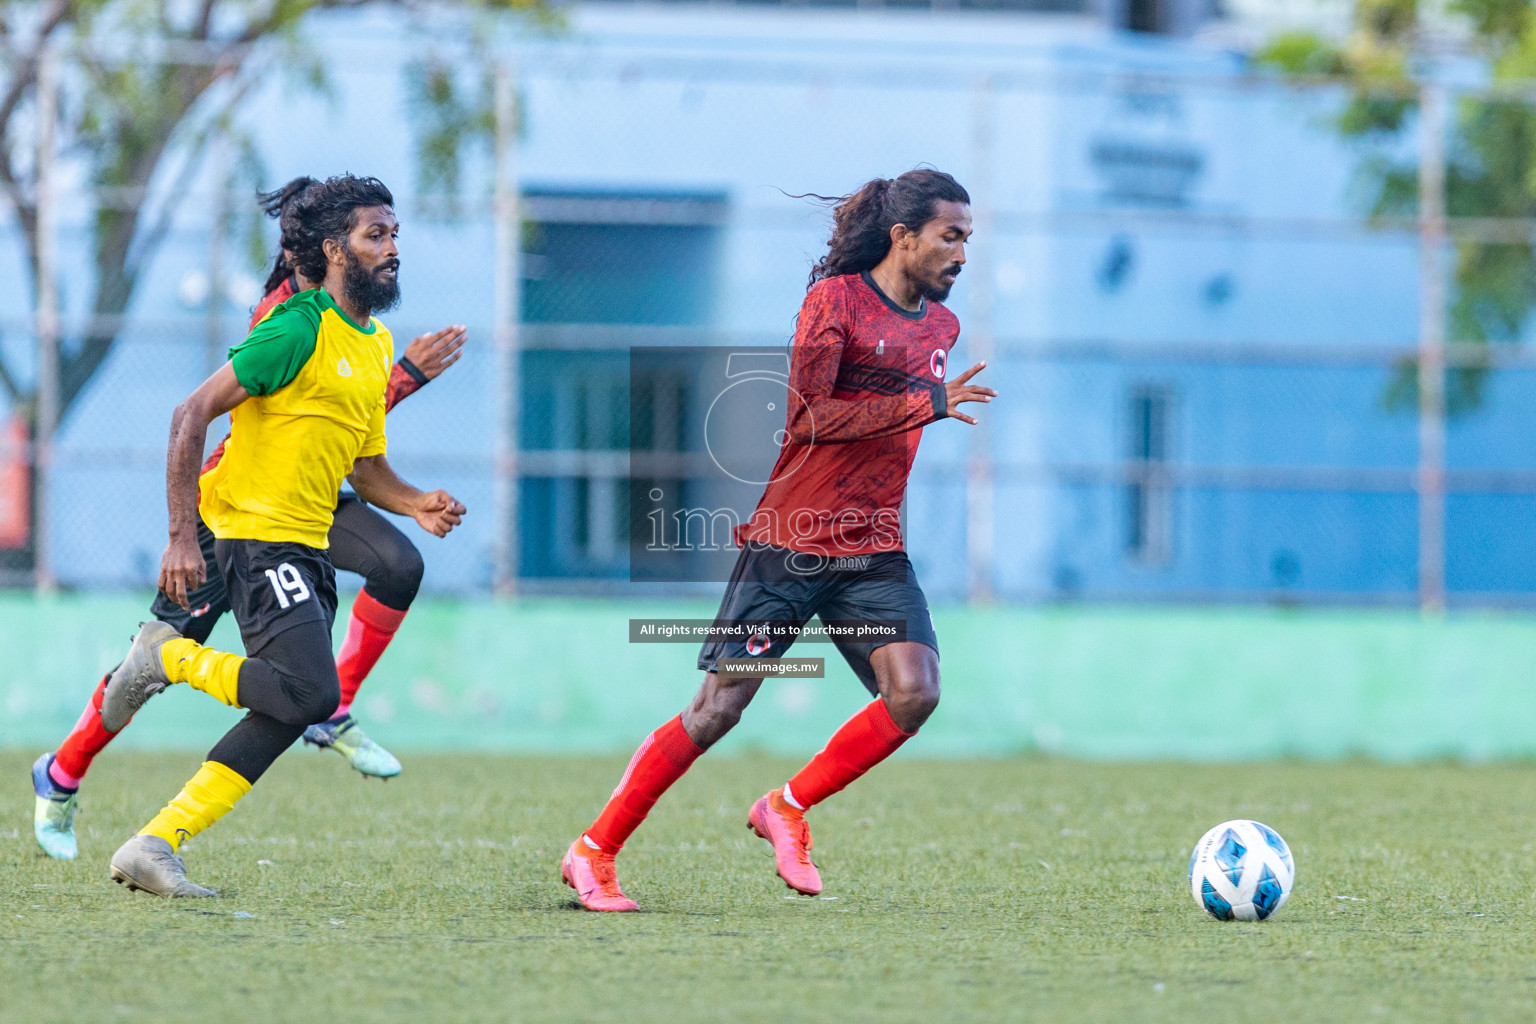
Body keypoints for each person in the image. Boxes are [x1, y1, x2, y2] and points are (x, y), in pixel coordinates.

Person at [561, 169, 996, 911]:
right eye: (951, 236)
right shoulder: (834, 303)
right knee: (718, 709)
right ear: (904, 236)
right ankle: (592, 851)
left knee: (915, 692)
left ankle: (786, 806)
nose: (963, 253)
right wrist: (925, 403)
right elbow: (808, 420)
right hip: (790, 541)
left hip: (873, 547)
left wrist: (921, 406)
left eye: (968, 239)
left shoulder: (941, 327)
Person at [29, 177, 464, 861]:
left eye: (393, 234)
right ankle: (62, 771)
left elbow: (350, 429)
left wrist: (415, 500)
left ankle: (326, 709)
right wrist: (180, 534)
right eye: (374, 235)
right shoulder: (288, 317)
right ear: (322, 249)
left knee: (397, 565)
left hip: (307, 505)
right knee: (148, 670)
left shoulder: (369, 334)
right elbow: (211, 411)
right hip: (235, 514)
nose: (391, 247)